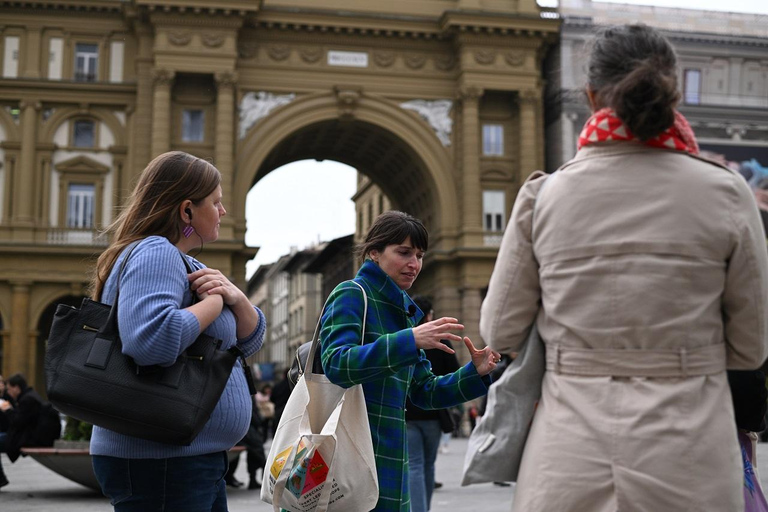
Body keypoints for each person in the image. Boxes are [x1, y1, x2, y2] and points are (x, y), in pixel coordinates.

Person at [480, 24, 768, 512]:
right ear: (673, 93)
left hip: (568, 455)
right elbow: (751, 345)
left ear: (591, 96)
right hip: (691, 451)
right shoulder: (727, 192)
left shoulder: (543, 197)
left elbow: (499, 331)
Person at [88, 151, 266, 512]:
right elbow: (150, 342)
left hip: (189, 458)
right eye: (215, 202)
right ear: (187, 211)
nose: (223, 211)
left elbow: (247, 343)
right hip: (163, 463)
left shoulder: (185, 261)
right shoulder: (157, 252)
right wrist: (214, 304)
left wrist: (236, 298)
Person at [319, 210, 500, 512]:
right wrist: (410, 340)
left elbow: (424, 391)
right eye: (403, 252)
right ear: (374, 252)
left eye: (419, 255)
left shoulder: (404, 311)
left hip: (390, 463)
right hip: (345, 460)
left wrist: (475, 372)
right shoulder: (352, 294)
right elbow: (337, 364)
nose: (414, 264)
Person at [405, 295, 460, 512]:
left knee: (415, 465)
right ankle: (424, 508)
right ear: (428, 315)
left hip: (408, 413)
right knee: (428, 465)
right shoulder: (440, 342)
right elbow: (454, 373)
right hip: (434, 414)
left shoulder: (405, 339)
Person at [0, 373, 62, 489]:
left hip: (31, 439)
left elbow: (17, 422)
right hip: (31, 436)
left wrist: (7, 410)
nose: (8, 392)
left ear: (16, 388)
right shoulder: (29, 396)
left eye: (9, 389)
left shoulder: (27, 399)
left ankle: (0, 478)